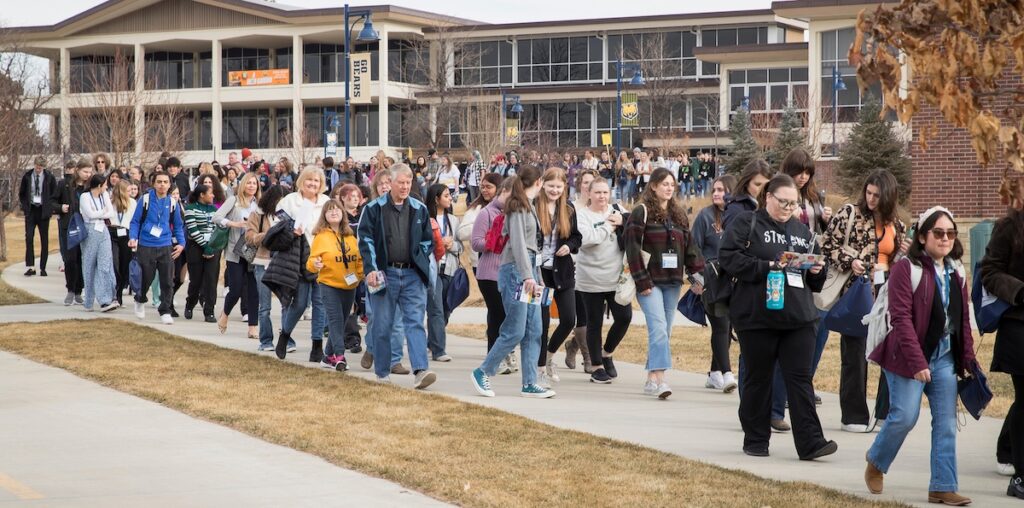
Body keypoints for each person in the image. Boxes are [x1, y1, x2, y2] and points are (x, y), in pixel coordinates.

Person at [718, 173, 836, 460]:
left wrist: (816, 271)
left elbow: (815, 281)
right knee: (759, 379)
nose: (787, 208)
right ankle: (756, 439)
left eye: (793, 203)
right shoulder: (748, 223)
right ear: (768, 197)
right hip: (757, 316)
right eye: (782, 202)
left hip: (799, 317)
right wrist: (767, 266)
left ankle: (811, 443)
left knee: (800, 379)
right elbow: (729, 258)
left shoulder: (803, 233)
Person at [864, 207, 975, 506]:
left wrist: (968, 359)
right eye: (938, 233)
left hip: (944, 356)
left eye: (950, 233)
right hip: (906, 355)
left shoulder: (957, 270)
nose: (945, 238)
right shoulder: (906, 268)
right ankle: (876, 461)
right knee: (904, 416)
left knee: (947, 422)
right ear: (923, 236)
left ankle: (942, 485)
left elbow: (962, 319)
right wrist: (917, 363)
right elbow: (900, 319)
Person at [821, 168, 908, 433]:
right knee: (855, 355)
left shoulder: (896, 225)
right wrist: (851, 261)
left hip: (887, 294)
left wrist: (905, 252)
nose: (871, 199)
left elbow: (901, 262)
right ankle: (854, 415)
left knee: (889, 354)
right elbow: (826, 245)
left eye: (877, 195)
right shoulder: (849, 213)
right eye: (868, 193)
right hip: (857, 292)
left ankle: (884, 412)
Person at [471, 165, 555, 399]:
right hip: (515, 272)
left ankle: (530, 382)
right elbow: (518, 243)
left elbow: (532, 248)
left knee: (534, 329)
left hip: (528, 271)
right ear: (538, 182)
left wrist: (536, 278)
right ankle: (483, 371)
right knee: (515, 329)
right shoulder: (517, 207)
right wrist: (527, 275)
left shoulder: (530, 207)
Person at [624, 168, 704, 399]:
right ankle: (660, 380)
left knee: (665, 331)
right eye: (664, 184)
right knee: (658, 328)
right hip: (649, 281)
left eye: (672, 184)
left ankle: (650, 377)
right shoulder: (641, 212)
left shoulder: (678, 214)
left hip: (672, 281)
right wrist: (641, 280)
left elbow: (690, 247)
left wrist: (697, 274)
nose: (669, 188)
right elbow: (632, 248)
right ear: (653, 186)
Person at [357, 163, 438, 389]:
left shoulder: (419, 208)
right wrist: (371, 269)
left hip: (412, 274)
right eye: (400, 182)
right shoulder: (373, 209)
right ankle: (382, 373)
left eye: (408, 182)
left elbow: (427, 241)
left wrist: (419, 256)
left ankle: (421, 370)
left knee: (415, 323)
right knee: (382, 324)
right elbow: (365, 240)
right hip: (384, 274)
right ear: (390, 183)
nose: (404, 186)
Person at [980, 180, 1024, 498]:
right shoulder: (1009, 226)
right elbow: (990, 273)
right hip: (1018, 325)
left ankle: (1007, 449)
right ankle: (1020, 475)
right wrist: (1019, 291)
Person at [576, 176, 632, 383]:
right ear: (589, 194)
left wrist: (623, 220)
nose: (601, 196)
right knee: (594, 323)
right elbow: (587, 239)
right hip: (590, 279)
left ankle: (607, 352)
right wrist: (609, 226)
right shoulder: (581, 215)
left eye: (605, 192)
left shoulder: (618, 210)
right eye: (597, 192)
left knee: (624, 317)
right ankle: (597, 367)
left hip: (617, 278)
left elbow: (637, 227)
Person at [273, 166, 330, 362]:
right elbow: (276, 226)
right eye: (309, 180)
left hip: (321, 258)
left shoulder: (326, 202)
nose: (313, 184)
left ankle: (316, 347)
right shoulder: (289, 201)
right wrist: (292, 230)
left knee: (320, 304)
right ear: (301, 181)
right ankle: (285, 336)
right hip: (298, 258)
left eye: (316, 181)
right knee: (299, 303)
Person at [692, 174, 739, 393]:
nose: (717, 194)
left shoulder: (739, 217)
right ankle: (727, 373)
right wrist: (695, 279)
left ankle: (713, 373)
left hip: (734, 280)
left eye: (722, 190)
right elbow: (693, 250)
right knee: (721, 324)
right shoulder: (705, 217)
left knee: (726, 326)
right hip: (711, 279)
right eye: (715, 190)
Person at [536, 168, 582, 387]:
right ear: (543, 185)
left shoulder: (569, 209)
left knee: (568, 320)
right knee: (541, 323)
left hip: (562, 271)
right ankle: (539, 368)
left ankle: (549, 355)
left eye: (558, 186)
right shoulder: (534, 207)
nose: (554, 190)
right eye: (550, 185)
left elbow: (576, 237)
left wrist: (568, 246)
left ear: (564, 187)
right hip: (540, 274)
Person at [307, 199, 364, 371]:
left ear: (343, 213)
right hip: (329, 284)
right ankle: (339, 356)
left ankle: (327, 356)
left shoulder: (350, 235)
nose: (334, 212)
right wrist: (314, 265)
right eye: (329, 210)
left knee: (342, 320)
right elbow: (311, 261)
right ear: (324, 215)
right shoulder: (321, 237)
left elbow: (359, 258)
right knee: (335, 319)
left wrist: (360, 275)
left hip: (349, 285)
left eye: (337, 210)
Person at [470, 178, 516, 374]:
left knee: (508, 316)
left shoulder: (516, 214)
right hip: (490, 273)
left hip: (510, 273)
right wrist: (495, 239)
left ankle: (503, 355)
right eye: (511, 195)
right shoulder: (486, 213)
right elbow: (475, 243)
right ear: (503, 191)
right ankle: (494, 358)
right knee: (498, 316)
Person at [129, 171, 185, 324]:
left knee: (167, 280)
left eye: (165, 182)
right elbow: (135, 222)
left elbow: (179, 226)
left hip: (166, 245)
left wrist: (181, 244)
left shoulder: (172, 202)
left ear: (169, 185)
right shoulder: (145, 199)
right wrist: (133, 238)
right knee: (146, 279)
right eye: (159, 182)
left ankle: (165, 310)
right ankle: (140, 300)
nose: (162, 185)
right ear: (153, 184)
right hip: (146, 245)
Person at [212, 172, 261, 338]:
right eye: (249, 183)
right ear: (243, 185)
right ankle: (225, 314)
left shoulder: (259, 204)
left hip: (253, 251)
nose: (252, 186)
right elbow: (216, 217)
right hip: (235, 250)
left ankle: (253, 327)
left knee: (254, 290)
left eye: (254, 183)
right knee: (236, 289)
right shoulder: (233, 200)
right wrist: (234, 223)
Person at [245, 185, 293, 353]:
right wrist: (270, 234)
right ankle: (266, 340)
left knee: (287, 304)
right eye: (279, 202)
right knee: (264, 306)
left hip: (284, 263)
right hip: (263, 262)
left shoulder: (289, 215)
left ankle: (287, 339)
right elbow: (249, 237)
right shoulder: (258, 214)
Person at [425, 183, 462, 362]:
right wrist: (437, 243)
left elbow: (461, 247)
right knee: (436, 310)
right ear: (436, 198)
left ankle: (431, 341)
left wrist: (451, 244)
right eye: (446, 195)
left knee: (446, 310)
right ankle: (439, 350)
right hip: (432, 269)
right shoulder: (424, 218)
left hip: (450, 269)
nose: (449, 199)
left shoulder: (453, 221)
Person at [78, 174, 118, 313]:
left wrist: (100, 213)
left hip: (103, 231)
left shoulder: (105, 195)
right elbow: (89, 214)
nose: (106, 187)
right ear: (99, 185)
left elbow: (111, 213)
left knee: (105, 265)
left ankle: (106, 300)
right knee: (89, 266)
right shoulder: (85, 197)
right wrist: (102, 213)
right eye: (105, 185)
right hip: (90, 232)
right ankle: (89, 301)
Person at [183, 184, 221, 323]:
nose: (213, 195)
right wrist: (205, 246)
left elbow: (216, 229)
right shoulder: (190, 209)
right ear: (201, 195)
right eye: (210, 193)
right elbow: (193, 230)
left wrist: (211, 246)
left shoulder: (214, 209)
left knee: (211, 280)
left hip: (212, 247)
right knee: (196, 281)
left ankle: (209, 311)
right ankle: (190, 304)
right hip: (195, 248)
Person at [19, 156, 57, 277]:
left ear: (44, 167)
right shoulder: (27, 176)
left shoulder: (49, 177)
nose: (38, 168)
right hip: (31, 210)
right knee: (29, 237)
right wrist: (25, 207)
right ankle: (31, 266)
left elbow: (53, 194)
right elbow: (22, 193)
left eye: (41, 167)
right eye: (37, 166)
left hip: (43, 211)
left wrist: (50, 208)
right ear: (34, 165)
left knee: (44, 239)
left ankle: (43, 267)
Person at [109, 180, 137, 306]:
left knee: (124, 265)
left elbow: (134, 221)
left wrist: (135, 238)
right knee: (115, 264)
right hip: (112, 233)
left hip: (126, 234)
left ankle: (119, 294)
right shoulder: (110, 202)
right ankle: (113, 294)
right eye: (128, 190)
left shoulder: (132, 203)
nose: (131, 192)